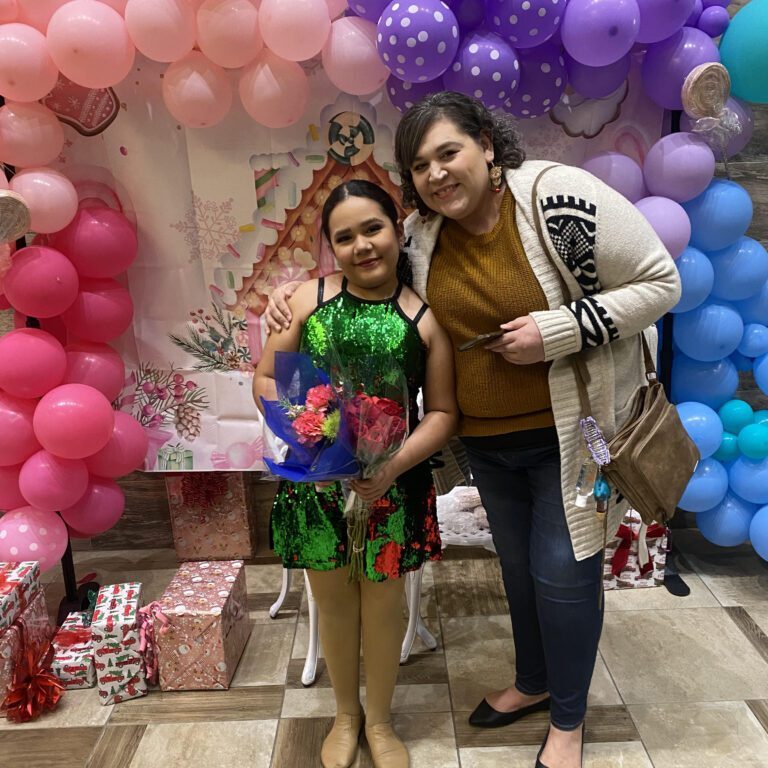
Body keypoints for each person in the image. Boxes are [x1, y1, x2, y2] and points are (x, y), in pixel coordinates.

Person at [265, 92, 681, 768]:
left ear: (487, 144)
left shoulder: (558, 199)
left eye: (448, 152)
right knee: (518, 571)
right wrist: (292, 289)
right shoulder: (424, 234)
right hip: (488, 445)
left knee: (562, 571)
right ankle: (535, 681)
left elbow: (661, 283)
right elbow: (360, 270)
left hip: (570, 439)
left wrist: (562, 329)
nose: (435, 173)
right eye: (420, 164)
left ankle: (569, 722)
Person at [254, 179, 457, 768]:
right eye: (344, 237)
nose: (362, 245)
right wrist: (311, 430)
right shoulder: (305, 301)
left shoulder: (422, 320)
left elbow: (443, 413)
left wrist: (390, 466)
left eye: (373, 229)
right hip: (318, 483)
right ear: (331, 248)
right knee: (334, 602)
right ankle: (345, 716)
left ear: (397, 231)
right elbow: (267, 379)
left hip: (391, 488)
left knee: (383, 603)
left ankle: (382, 720)